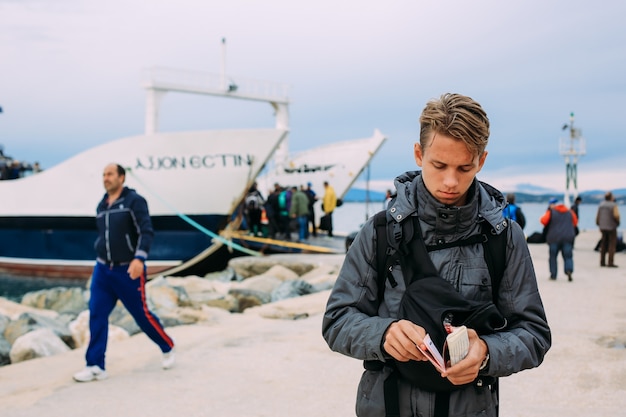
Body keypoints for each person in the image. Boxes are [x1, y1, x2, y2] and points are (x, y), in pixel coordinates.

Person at [322, 93, 551, 417]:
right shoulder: (380, 232)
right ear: (419, 153)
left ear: (482, 161)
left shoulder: (504, 238)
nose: (450, 181)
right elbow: (336, 320)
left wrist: (486, 352)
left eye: (464, 167)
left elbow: (534, 334)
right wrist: (383, 334)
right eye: (439, 165)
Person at [73, 163, 175, 382]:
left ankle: (167, 346)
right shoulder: (102, 205)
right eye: (103, 174)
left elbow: (146, 231)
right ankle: (95, 365)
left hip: (127, 269)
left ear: (122, 177)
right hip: (103, 269)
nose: (106, 178)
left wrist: (139, 257)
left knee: (141, 315)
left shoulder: (134, 202)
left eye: (110, 174)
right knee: (97, 313)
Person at [540, 198, 578, 281]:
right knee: (568, 256)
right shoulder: (570, 212)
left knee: (553, 256)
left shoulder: (551, 212)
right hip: (567, 237)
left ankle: (553, 274)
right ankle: (569, 270)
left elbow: (543, 221)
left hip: (554, 238)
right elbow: (575, 223)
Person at [596, 191, 620, 267]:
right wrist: (617, 222)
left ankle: (602, 261)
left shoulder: (601, 205)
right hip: (611, 227)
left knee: (603, 244)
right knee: (612, 244)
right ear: (611, 197)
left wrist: (599, 224)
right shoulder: (613, 205)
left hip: (603, 227)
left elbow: (598, 216)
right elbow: (616, 215)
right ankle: (610, 262)